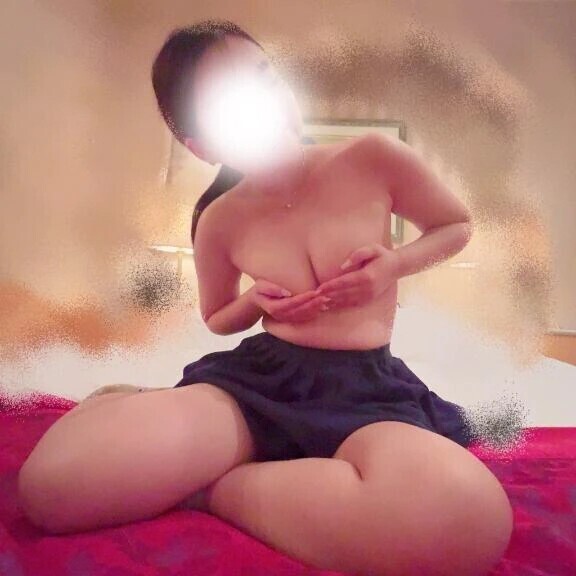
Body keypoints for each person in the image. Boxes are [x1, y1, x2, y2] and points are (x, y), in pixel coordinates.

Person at [17, 19, 513, 576]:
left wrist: (392, 267)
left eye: (264, 77)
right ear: (201, 145)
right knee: (54, 488)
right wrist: (255, 301)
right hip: (259, 388)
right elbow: (216, 317)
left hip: (368, 396)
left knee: (465, 517)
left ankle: (219, 487)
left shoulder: (373, 157)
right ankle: (146, 416)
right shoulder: (220, 220)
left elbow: (455, 225)